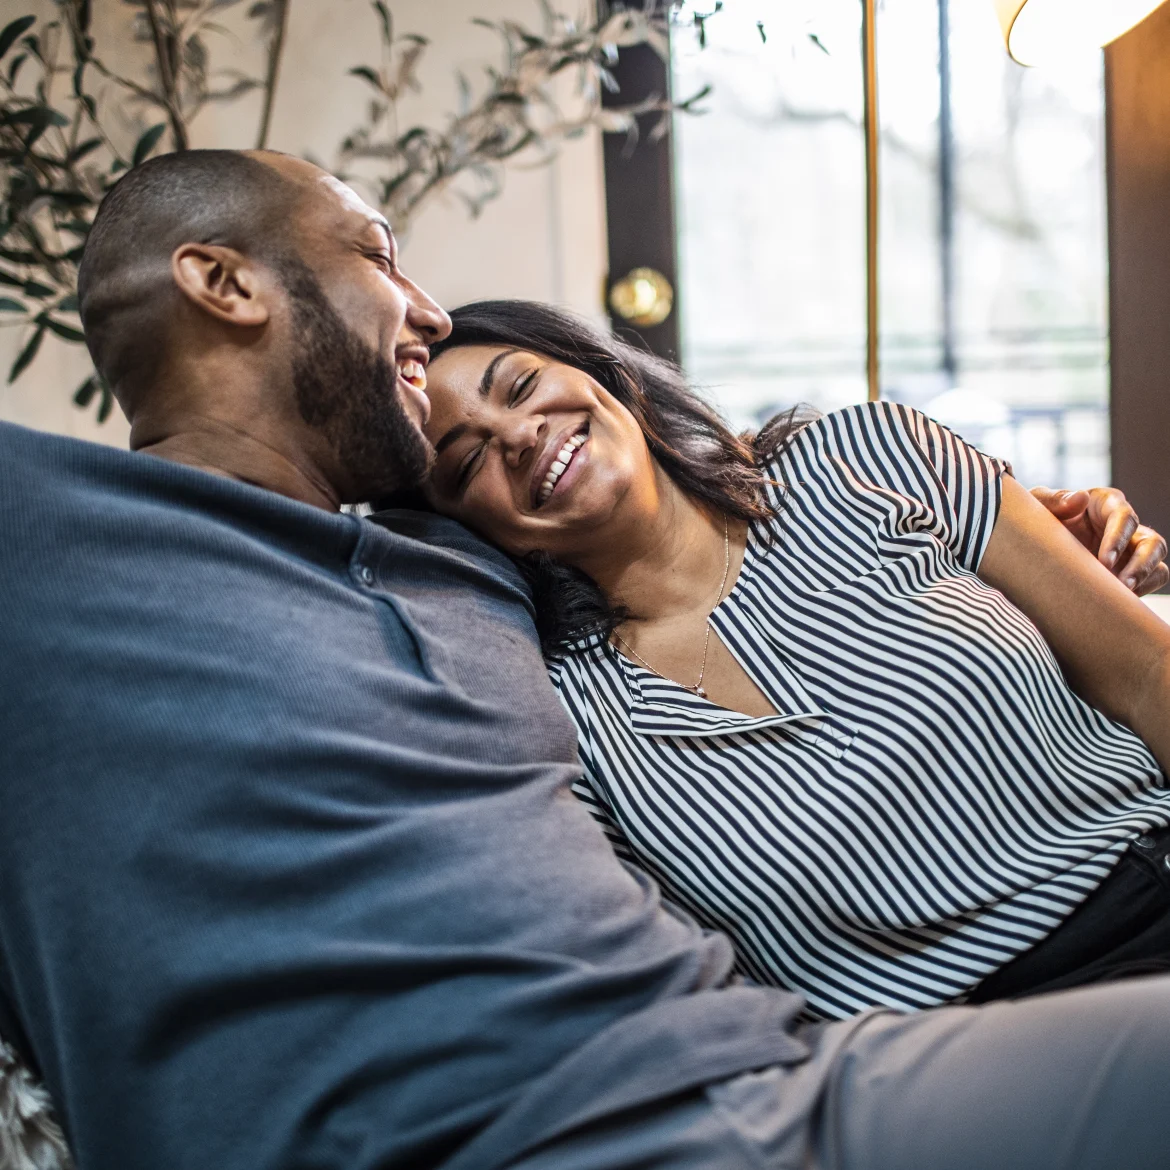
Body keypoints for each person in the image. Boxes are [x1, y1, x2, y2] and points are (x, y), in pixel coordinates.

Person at [2, 149, 1170, 1170]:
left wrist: (1033, 533)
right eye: (380, 252)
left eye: (515, 383)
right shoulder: (52, 539)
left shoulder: (448, 578)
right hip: (778, 1074)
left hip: (782, 1068)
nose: (422, 310)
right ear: (222, 281)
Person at [416, 299, 1170, 1020]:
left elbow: (1145, 674)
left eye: (520, 385)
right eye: (468, 460)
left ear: (600, 373)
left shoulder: (869, 456)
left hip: (1143, 900)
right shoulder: (561, 711)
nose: (517, 435)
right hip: (920, 1071)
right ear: (474, 530)